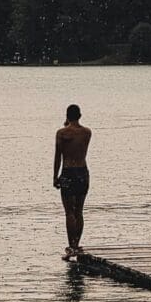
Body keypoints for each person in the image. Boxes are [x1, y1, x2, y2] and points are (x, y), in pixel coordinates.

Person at [53, 104, 91, 260]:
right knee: (79, 210)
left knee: (69, 211)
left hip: (68, 171)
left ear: (67, 116)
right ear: (80, 115)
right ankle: (77, 243)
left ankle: (71, 246)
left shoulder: (62, 133)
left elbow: (58, 156)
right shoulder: (87, 132)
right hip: (82, 171)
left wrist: (55, 176)